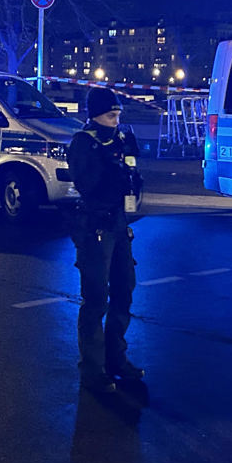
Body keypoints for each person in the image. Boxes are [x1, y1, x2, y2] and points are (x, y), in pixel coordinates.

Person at [68, 86, 143, 395]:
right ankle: (92, 370)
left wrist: (130, 167)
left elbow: (133, 182)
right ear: (96, 115)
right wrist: (114, 167)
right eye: (111, 116)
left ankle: (116, 359)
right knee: (97, 298)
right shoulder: (84, 143)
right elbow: (89, 186)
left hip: (119, 225)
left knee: (124, 290)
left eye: (118, 115)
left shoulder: (120, 140)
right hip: (95, 228)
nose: (116, 121)